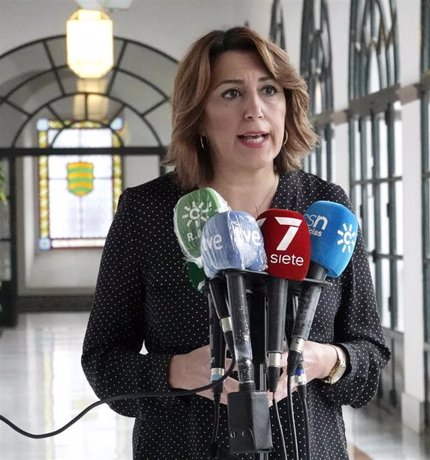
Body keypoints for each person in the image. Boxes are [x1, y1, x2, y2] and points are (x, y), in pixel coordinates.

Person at [81, 26, 390, 459]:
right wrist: (182, 371)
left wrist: (324, 361)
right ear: (198, 115)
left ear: (288, 105)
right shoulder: (146, 212)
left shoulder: (325, 206)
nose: (255, 110)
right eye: (230, 94)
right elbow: (102, 363)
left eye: (270, 90)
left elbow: (369, 358)